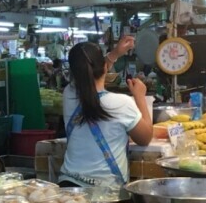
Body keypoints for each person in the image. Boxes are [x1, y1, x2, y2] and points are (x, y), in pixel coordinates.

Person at [59, 38, 152, 187]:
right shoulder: (122, 103)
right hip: (106, 192)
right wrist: (140, 97)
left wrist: (115, 54)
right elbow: (145, 138)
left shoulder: (69, 94)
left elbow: (89, 71)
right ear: (103, 67)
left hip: (68, 185)